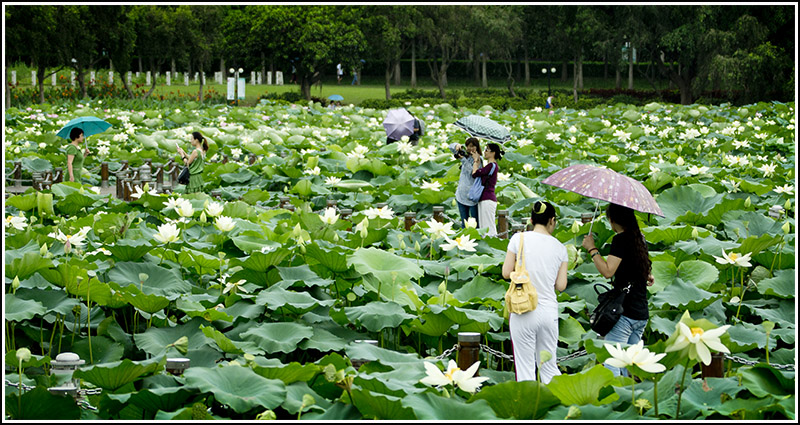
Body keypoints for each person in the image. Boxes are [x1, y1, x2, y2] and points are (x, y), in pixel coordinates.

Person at [582, 203, 655, 377]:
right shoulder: (640, 238)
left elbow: (608, 271)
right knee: (630, 365)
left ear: (613, 220)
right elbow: (644, 270)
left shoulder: (620, 240)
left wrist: (592, 249)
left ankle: (615, 400)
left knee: (613, 362)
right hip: (641, 313)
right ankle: (629, 399)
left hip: (624, 313)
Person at [502, 201, 568, 384]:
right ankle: (558, 408)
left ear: (531, 219)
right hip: (548, 312)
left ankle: (529, 411)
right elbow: (561, 285)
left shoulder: (518, 239)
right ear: (552, 221)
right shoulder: (560, 248)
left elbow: (506, 273)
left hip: (523, 309)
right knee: (549, 368)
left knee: (525, 370)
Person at [449, 137, 482, 228]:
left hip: (472, 196)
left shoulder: (479, 160)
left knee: (476, 224)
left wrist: (463, 160)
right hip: (461, 194)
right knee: (464, 224)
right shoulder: (465, 155)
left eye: (472, 146)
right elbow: (450, 147)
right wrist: (457, 146)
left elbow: (473, 173)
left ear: (477, 146)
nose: (470, 148)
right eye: (468, 146)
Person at [471, 143, 504, 236]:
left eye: (487, 150)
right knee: (484, 228)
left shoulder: (491, 166)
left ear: (493, 153)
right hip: (484, 199)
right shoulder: (489, 166)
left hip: (488, 199)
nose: (484, 152)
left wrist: (475, 161)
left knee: (488, 228)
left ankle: (492, 247)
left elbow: (474, 173)